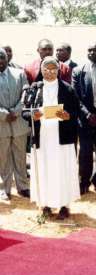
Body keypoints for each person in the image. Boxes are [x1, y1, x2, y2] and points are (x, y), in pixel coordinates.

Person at [23, 57, 80, 220]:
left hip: (62, 138)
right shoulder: (35, 88)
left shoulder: (68, 90)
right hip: (43, 138)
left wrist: (68, 116)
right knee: (44, 169)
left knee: (62, 170)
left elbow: (75, 113)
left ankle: (64, 205)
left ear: (58, 71)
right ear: (41, 70)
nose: (49, 72)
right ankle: (45, 204)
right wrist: (33, 115)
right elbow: (25, 111)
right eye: (46, 69)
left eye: (53, 69)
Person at [72, 43, 96, 195]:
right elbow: (75, 97)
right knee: (85, 152)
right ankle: (84, 182)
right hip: (85, 120)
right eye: (89, 50)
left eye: (95, 50)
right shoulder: (78, 71)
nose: (92, 52)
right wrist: (87, 114)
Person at [0, 49, 30, 201]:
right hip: (1, 125)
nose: (0, 61)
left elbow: (26, 95)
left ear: (7, 58)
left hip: (19, 123)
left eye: (2, 57)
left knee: (20, 157)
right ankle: (5, 189)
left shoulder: (19, 73)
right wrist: (4, 114)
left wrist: (16, 111)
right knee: (2, 159)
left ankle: (23, 187)